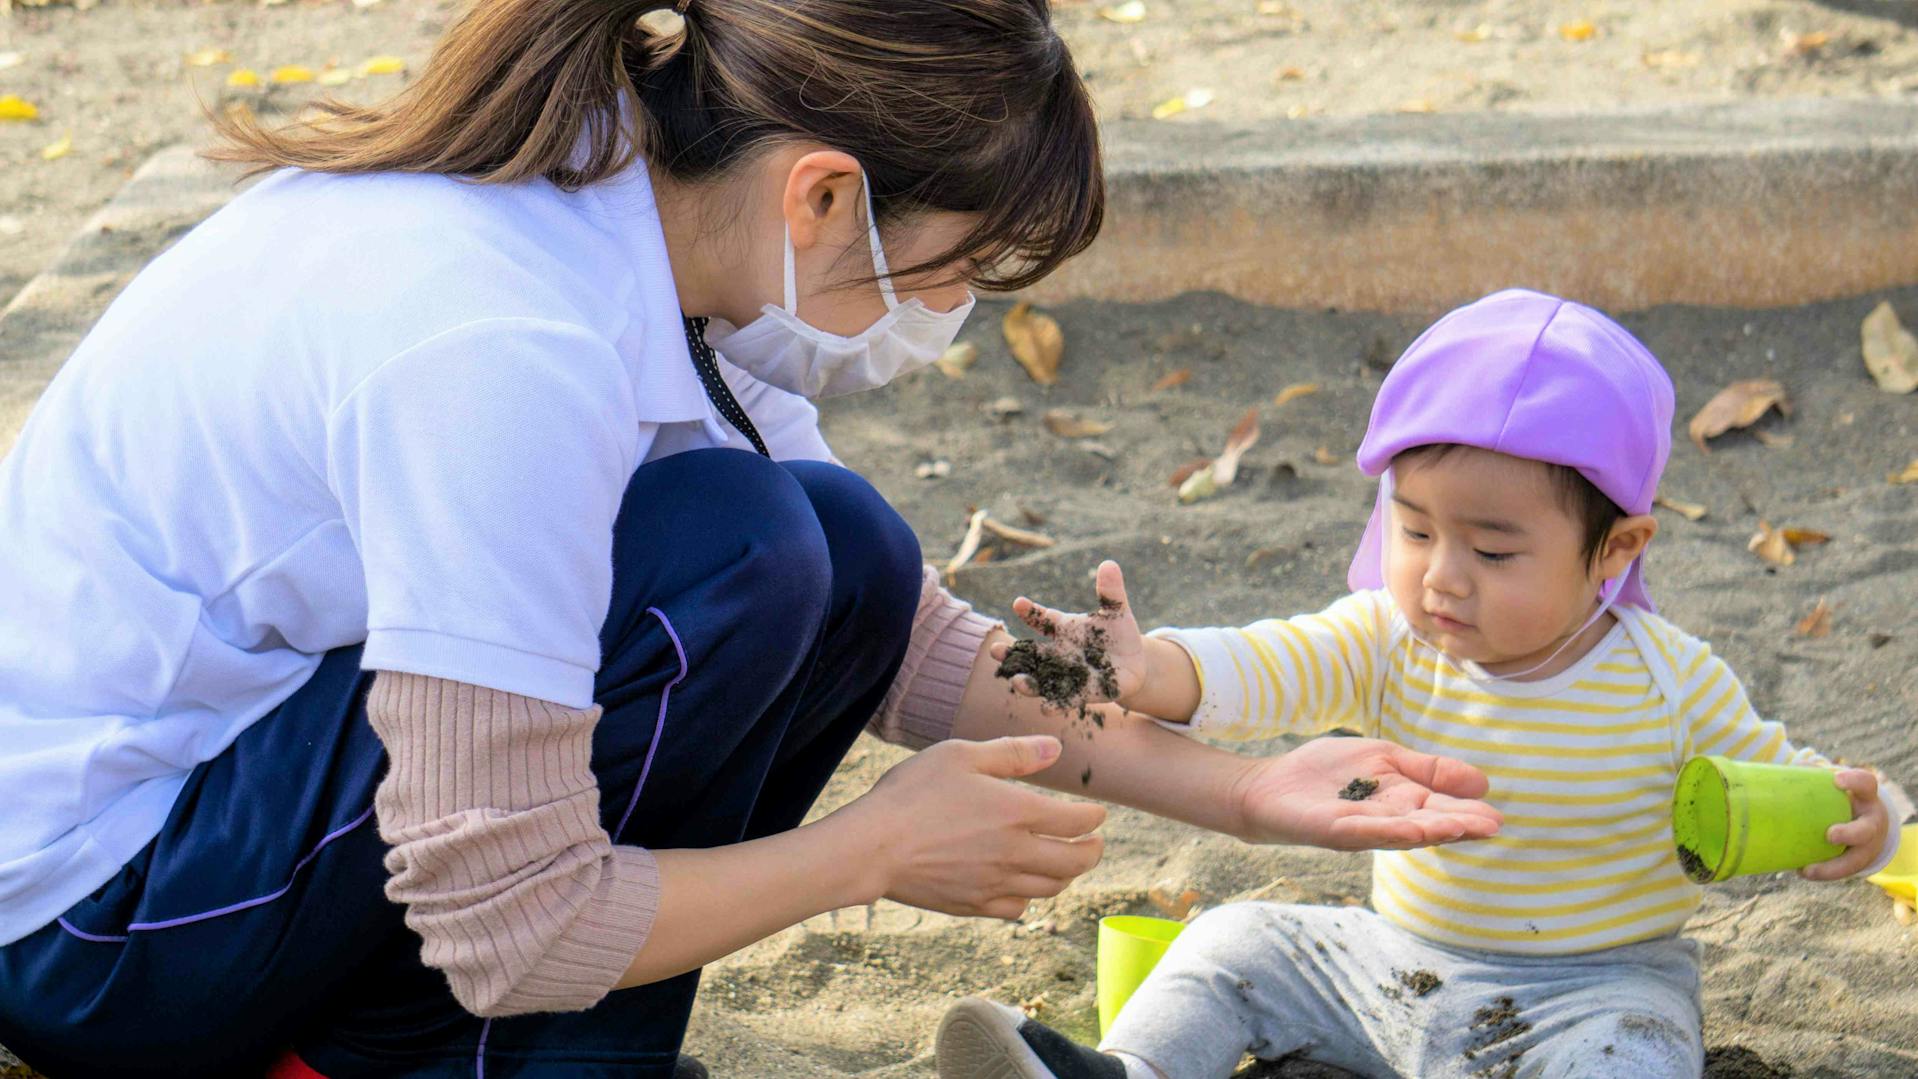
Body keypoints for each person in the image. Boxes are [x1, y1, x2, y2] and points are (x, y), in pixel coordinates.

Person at [0, 1, 1503, 1076]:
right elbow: (507, 917)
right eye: (956, 263)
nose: (951, 313)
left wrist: (1251, 790)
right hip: (101, 921)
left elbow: (907, 640)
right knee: (739, 549)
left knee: (829, 543)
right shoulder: (499, 345)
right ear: (826, 193)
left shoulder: (631, 201)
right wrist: (863, 851)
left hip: (230, 792)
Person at [934, 289, 1907, 1079]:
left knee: (1638, 1053)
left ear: (1615, 547)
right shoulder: (1390, 636)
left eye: (1492, 547)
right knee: (1234, 941)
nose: (1441, 574)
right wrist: (1152, 669)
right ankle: (1128, 1071)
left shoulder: (1670, 681)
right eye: (1413, 529)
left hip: (1599, 989)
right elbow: (1265, 663)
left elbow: (1795, 787)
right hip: (1389, 967)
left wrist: (1870, 823)